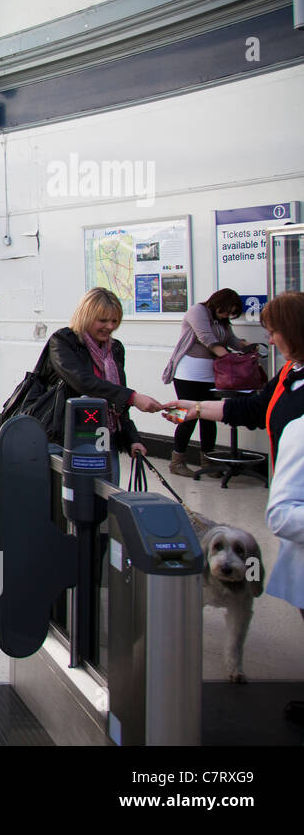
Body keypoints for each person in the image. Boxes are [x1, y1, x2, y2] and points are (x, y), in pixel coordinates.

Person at [166, 291, 304, 723]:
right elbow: (253, 407)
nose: (270, 335)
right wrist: (196, 409)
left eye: (274, 328)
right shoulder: (290, 374)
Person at [45, 287, 162, 477]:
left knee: (107, 496)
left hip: (105, 436)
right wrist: (133, 397)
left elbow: (116, 395)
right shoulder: (63, 341)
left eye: (115, 321)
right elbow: (83, 382)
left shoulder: (115, 349)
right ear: (86, 316)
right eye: (103, 320)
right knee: (70, 499)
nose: (110, 326)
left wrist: (133, 439)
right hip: (66, 438)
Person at [161, 288, 249, 476]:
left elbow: (230, 339)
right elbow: (206, 338)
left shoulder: (222, 320)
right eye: (225, 311)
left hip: (212, 375)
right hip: (187, 374)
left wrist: (245, 346)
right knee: (185, 417)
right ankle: (177, 462)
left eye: (230, 314)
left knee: (209, 418)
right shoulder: (197, 311)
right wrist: (229, 359)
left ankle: (209, 463)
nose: (226, 316)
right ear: (218, 303)